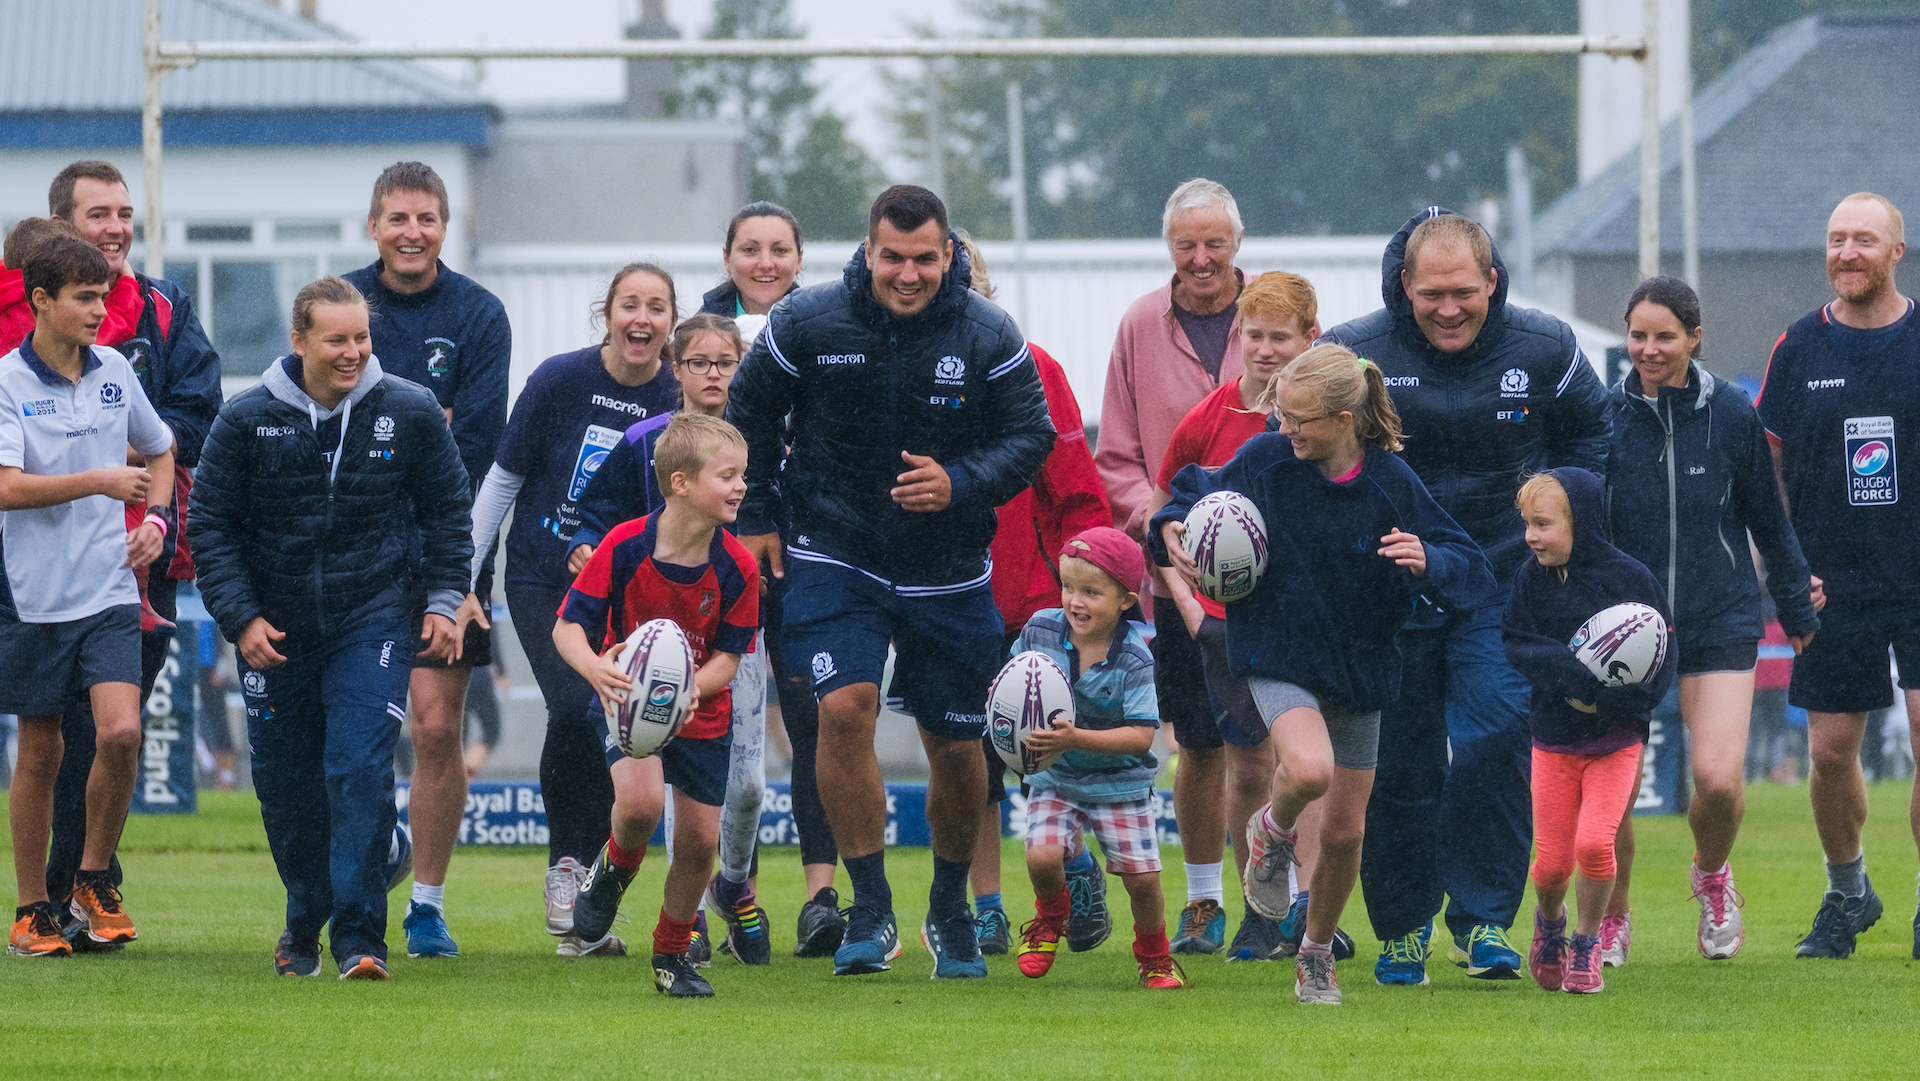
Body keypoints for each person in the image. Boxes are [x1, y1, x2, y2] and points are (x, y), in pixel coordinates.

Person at [727, 185, 1054, 979]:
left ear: (950, 255)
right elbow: (748, 408)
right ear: (868, 250)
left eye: (924, 259)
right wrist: (758, 510)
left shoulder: (987, 330)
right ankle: (869, 905)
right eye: (893, 257)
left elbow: (1031, 433)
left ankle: (949, 905)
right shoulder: (805, 321)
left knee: (956, 740)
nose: (908, 275)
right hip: (835, 551)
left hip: (946, 569)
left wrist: (962, 479)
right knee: (844, 708)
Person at [1319, 209, 1611, 985]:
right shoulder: (1352, 353)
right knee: (1402, 763)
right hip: (1395, 589)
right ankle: (1404, 928)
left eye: (1464, 292)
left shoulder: (1546, 347)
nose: (1448, 309)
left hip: (1503, 585)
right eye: (1431, 293)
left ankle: (1484, 921)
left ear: (1491, 280)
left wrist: (1567, 526)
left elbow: (1594, 437)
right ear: (1404, 285)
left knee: (1493, 741)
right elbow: (1303, 447)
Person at [1154, 343, 1494, 1005]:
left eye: (1299, 419)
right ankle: (1272, 833)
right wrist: (1171, 524)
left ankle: (1314, 953)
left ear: (1344, 418)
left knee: (1344, 833)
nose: (1285, 429)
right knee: (1308, 769)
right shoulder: (1266, 460)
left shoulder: (1392, 482)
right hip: (1275, 648)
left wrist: (1430, 559)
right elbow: (1193, 488)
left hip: (1361, 666)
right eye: (1280, 415)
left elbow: (1470, 566)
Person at [189, 277, 472, 980]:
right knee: (288, 788)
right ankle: (301, 923)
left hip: (371, 617)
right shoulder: (244, 417)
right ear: (300, 341)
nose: (352, 353)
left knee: (358, 768)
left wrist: (443, 600)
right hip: (272, 628)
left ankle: (360, 940)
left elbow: (448, 513)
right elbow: (211, 527)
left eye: (362, 338)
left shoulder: (407, 410)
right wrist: (242, 617)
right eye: (337, 339)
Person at [2, 162, 223, 947]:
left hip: (114, 583)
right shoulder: (8, 375)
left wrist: (158, 520)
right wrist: (96, 477)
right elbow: (5, 486)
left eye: (104, 295)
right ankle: (34, 906)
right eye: (85, 298)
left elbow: (169, 441)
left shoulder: (128, 356)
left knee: (119, 733)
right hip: (30, 589)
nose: (102, 310)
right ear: (41, 296)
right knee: (43, 748)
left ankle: (94, 877)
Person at [456, 263, 681, 956]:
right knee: (576, 704)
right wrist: (461, 582)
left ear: (671, 321)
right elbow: (501, 483)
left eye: (656, 307)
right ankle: (568, 869)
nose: (641, 318)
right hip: (542, 580)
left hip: (631, 594)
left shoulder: (679, 396)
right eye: (628, 305)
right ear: (606, 313)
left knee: (621, 725)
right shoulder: (559, 380)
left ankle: (601, 903)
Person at [1602, 276, 1819, 963]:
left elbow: (1770, 522)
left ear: (1696, 338)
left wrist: (1797, 613)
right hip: (1625, 628)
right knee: (1615, 790)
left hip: (1719, 618)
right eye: (1638, 335)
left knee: (1720, 782)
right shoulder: (1601, 417)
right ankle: (1613, 917)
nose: (1649, 349)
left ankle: (1712, 874)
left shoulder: (1731, 414)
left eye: (1665, 336)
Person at [569, 312, 776, 966]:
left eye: (744, 474)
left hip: (704, 714)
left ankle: (670, 953)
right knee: (637, 804)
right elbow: (567, 628)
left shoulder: (738, 567)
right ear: (681, 483)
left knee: (698, 843)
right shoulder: (624, 546)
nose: (742, 486)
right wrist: (599, 671)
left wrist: (694, 688)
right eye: (729, 476)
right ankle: (612, 868)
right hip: (629, 697)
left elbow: (729, 657)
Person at [341, 162, 509, 959]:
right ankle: (346, 886)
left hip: (447, 544)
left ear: (447, 225)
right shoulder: (336, 302)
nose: (413, 231)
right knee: (357, 734)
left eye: (427, 218)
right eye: (397, 217)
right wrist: (418, 423)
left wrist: (463, 578)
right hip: (349, 547)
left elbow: (471, 448)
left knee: (438, 729)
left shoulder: (479, 314)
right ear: (372, 224)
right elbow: (324, 427)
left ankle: (428, 905)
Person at [1754, 192, 1920, 960]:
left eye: (1864, 239)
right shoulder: (1797, 348)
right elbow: (1770, 469)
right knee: (1827, 754)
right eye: (1836, 240)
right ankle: (1848, 891)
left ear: (1897, 251)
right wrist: (1784, 569)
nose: (1847, 252)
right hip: (1831, 585)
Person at [1145, 269, 1325, 960]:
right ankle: (1256, 908)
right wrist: (1194, 609)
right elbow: (1163, 512)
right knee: (1246, 765)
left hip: (1302, 619)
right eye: (1255, 335)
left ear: (1311, 337)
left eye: (1281, 336)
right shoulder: (1211, 416)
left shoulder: (1329, 420)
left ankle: (1308, 908)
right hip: (1225, 623)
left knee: (1303, 763)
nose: (1267, 349)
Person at [1094, 179, 1252, 945]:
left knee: (1285, 739)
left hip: (1278, 575)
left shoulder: (1281, 321)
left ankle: (1277, 894)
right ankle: (1204, 898)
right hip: (1179, 578)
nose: (1200, 258)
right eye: (1186, 244)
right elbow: (1116, 456)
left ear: (1235, 246)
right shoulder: (1136, 326)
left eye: (1213, 243)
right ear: (1169, 248)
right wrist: (1160, 522)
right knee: (1200, 739)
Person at [947, 234, 1113, 958]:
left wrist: (1091, 582)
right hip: (946, 594)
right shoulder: (893, 371)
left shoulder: (1032, 365)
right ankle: (986, 905)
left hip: (1035, 600)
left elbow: (1075, 485)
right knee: (970, 758)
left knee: (1049, 749)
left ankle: (1073, 862)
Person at [1503, 469, 1675, 994]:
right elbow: (1516, 641)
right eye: (1527, 524)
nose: (1531, 536)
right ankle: (1549, 924)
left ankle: (1585, 941)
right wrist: (1575, 674)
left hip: (1614, 743)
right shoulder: (1531, 580)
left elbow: (1662, 655)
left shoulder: (1631, 579)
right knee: (1552, 864)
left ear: (1583, 523)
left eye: (1544, 525)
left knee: (1596, 845)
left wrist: (1612, 698)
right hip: (1553, 741)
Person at [1006, 526, 1182, 988]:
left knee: (1142, 881)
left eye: (1091, 592)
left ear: (1126, 600)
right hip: (1056, 776)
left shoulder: (1135, 659)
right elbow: (1012, 678)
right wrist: (999, 702)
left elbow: (1142, 737)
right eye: (1067, 587)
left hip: (1120, 784)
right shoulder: (1040, 629)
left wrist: (1074, 737)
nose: (1074, 601)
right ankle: (1052, 917)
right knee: (1042, 858)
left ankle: (1154, 956)